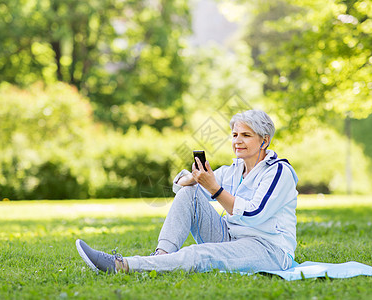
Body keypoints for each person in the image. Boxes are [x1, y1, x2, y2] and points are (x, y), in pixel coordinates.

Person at [76, 109, 298, 274]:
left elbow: (253, 214)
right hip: (231, 238)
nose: (238, 141)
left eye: (246, 135)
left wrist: (215, 189)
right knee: (189, 191)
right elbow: (179, 186)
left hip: (268, 250)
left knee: (198, 254)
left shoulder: (278, 172)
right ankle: (161, 256)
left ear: (264, 140)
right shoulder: (234, 170)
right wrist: (193, 178)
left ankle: (121, 265)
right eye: (234, 135)